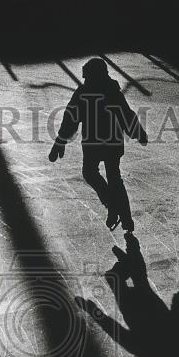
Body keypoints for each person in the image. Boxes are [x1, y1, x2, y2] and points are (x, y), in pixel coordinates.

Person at [48, 58, 148, 232]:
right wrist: (137, 132)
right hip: (111, 141)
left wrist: (60, 141)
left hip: (93, 142)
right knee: (114, 178)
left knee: (91, 172)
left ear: (94, 76)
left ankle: (113, 206)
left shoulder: (84, 92)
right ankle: (125, 217)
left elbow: (71, 118)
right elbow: (126, 114)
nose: (85, 80)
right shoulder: (111, 90)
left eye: (87, 77)